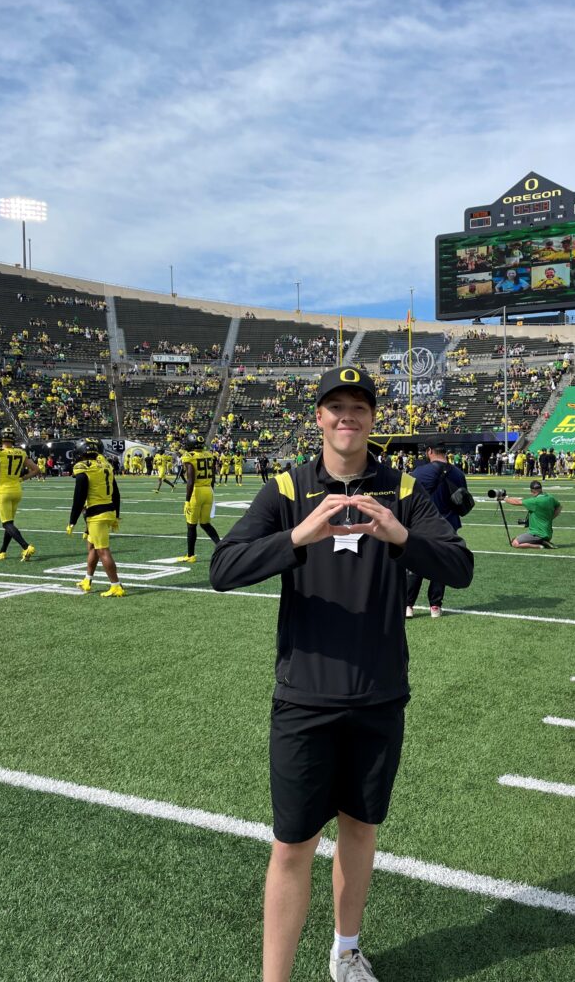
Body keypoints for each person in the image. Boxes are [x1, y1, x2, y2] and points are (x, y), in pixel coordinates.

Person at [210, 366, 473, 982]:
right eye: (335, 406)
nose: (346, 416)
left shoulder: (403, 488)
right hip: (305, 695)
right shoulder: (285, 487)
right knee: (293, 843)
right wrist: (299, 534)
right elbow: (223, 568)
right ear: (319, 416)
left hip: (379, 694)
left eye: (359, 406)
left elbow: (459, 567)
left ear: (373, 418)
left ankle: (346, 950)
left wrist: (397, 531)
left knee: (361, 829)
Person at [405, 436, 467, 619]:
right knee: (441, 565)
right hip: (448, 524)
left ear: (429, 451)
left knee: (415, 564)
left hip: (423, 524)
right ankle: (435, 606)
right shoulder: (458, 474)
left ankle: (408, 605)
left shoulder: (419, 472)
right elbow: (462, 499)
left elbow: (406, 497)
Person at [67, 438, 125, 597]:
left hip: (96, 513)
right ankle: (87, 580)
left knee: (103, 550)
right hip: (108, 510)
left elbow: (79, 497)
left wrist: (72, 520)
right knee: (92, 546)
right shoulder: (106, 465)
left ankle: (116, 585)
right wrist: (116, 515)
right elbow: (116, 493)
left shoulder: (83, 468)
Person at [0, 431, 39, 561]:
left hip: (3, 490)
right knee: (10, 523)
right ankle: (2, 551)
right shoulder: (20, 452)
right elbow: (36, 470)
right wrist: (22, 479)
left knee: (6, 523)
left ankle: (26, 546)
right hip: (17, 490)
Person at [177, 434, 220, 563]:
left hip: (196, 491)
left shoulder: (190, 457)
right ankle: (221, 546)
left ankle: (191, 555)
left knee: (191, 525)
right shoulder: (209, 455)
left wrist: (187, 500)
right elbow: (212, 477)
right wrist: (211, 491)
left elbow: (190, 481)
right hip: (208, 490)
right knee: (205, 523)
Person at [504, 479, 561, 548]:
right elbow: (559, 507)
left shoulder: (535, 501)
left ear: (532, 491)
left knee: (514, 542)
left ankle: (540, 546)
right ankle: (543, 541)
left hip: (537, 534)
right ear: (541, 489)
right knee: (517, 538)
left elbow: (517, 502)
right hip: (548, 534)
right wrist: (551, 518)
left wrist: (504, 498)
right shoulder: (550, 498)